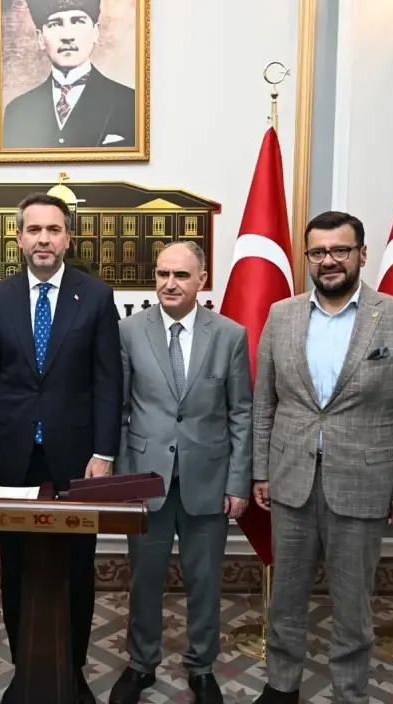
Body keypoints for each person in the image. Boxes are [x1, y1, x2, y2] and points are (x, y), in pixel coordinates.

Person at [251, 211, 393, 704]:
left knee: (354, 607)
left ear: (361, 253)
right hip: (290, 482)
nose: (329, 260)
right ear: (307, 257)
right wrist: (260, 472)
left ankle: (349, 693)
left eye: (340, 250)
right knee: (284, 598)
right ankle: (281, 686)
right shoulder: (281, 315)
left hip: (363, 486)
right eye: (318, 252)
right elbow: (264, 403)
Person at [0, 192, 123, 703]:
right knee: (15, 568)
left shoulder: (95, 296)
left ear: (68, 238)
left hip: (78, 460)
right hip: (13, 459)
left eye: (53, 230)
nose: (43, 239)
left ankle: (72, 671)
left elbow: (107, 383)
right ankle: (25, 669)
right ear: (18, 238)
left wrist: (104, 452)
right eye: (33, 230)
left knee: (78, 568)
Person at [108, 241, 252, 704]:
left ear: (202, 280)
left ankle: (202, 667)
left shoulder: (229, 335)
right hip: (145, 480)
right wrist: (123, 481)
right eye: (163, 274)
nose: (170, 284)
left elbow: (241, 414)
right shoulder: (128, 331)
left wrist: (238, 482)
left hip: (208, 480)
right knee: (144, 579)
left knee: (205, 581)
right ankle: (141, 663)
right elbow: (119, 411)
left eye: (181, 275)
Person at [2, 0, 136, 150]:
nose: (67, 36)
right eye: (55, 24)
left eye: (77, 21)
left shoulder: (130, 103)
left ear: (95, 32)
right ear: (40, 38)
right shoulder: (17, 111)